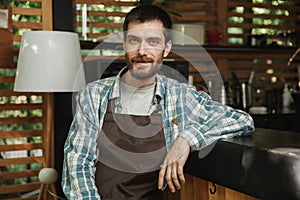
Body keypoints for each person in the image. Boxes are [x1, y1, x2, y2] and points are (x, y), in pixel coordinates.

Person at [62, 5, 254, 200]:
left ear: (167, 48)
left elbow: (241, 120)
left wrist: (186, 139)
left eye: (153, 41)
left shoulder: (180, 95)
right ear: (124, 44)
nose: (142, 51)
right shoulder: (93, 95)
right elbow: (78, 164)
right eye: (134, 40)